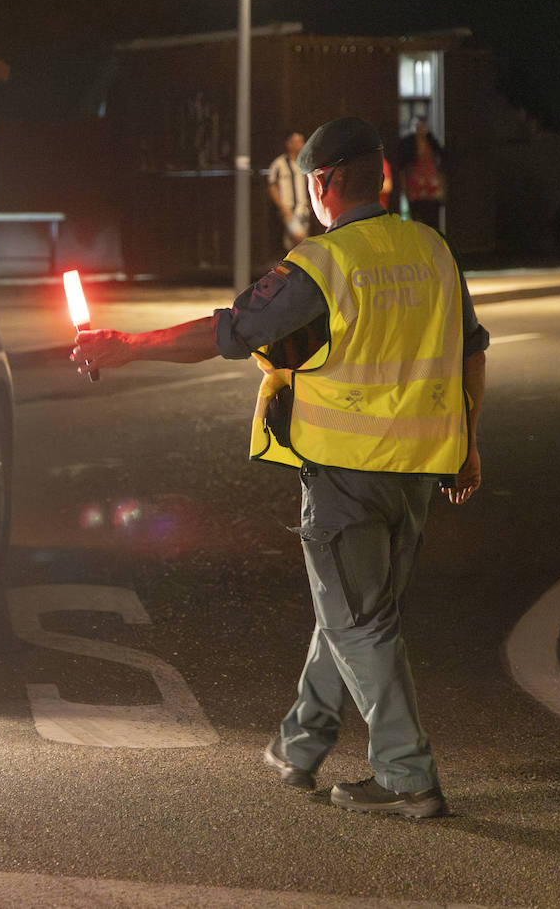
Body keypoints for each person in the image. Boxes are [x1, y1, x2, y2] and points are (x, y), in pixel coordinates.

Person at [71, 116, 488, 819]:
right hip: (420, 470)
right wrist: (468, 441)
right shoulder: (432, 248)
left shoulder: (325, 263)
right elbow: (471, 348)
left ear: (325, 182)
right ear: (382, 176)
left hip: (347, 473)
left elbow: (229, 331)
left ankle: (407, 775)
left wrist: (128, 346)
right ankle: (301, 743)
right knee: (354, 611)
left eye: (311, 183)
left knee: (359, 623)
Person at [396, 117, 445, 229]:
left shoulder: (432, 143)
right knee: (417, 218)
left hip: (431, 184)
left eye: (422, 126)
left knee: (432, 217)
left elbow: (441, 162)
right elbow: (402, 167)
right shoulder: (408, 145)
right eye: (417, 126)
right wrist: (404, 185)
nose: (420, 129)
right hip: (415, 185)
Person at [267, 132, 311, 250]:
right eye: (297, 142)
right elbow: (272, 186)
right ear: (289, 144)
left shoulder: (304, 163)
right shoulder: (279, 164)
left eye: (302, 141)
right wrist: (282, 207)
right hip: (289, 208)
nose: (301, 145)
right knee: (299, 238)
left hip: (303, 208)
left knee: (297, 243)